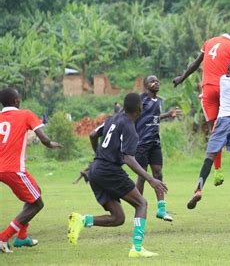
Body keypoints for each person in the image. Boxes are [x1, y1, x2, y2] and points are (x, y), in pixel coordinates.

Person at [67, 93, 168, 258]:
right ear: (140, 109)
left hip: (95, 169)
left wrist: (99, 154)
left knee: (118, 218)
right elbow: (129, 159)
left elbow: (93, 134)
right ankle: (137, 248)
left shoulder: (112, 119)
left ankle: (82, 220)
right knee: (141, 204)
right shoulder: (129, 127)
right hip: (109, 171)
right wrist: (150, 179)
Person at [173, 26, 230, 187]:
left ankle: (217, 171)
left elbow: (196, 63)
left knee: (214, 132)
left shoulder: (209, 42)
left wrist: (182, 77)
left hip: (207, 88)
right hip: (223, 91)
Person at [187, 39, 230, 210]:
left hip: (223, 121)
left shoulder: (224, 81)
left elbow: (215, 82)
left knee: (210, 156)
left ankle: (198, 190)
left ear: (227, 71)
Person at [0, 87, 62, 254]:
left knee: (33, 195)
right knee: (37, 203)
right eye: (19, 98)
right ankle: (4, 237)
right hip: (13, 169)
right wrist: (51, 144)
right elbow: (43, 138)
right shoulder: (25, 114)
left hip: (3, 168)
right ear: (16, 101)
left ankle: (22, 237)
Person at [135, 75, 181, 222]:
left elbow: (153, 117)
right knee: (142, 176)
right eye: (152, 81)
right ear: (146, 85)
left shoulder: (158, 100)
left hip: (155, 142)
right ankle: (139, 206)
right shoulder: (141, 100)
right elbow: (132, 116)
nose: (156, 82)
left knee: (158, 174)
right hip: (141, 143)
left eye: (157, 80)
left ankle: (161, 210)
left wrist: (168, 115)